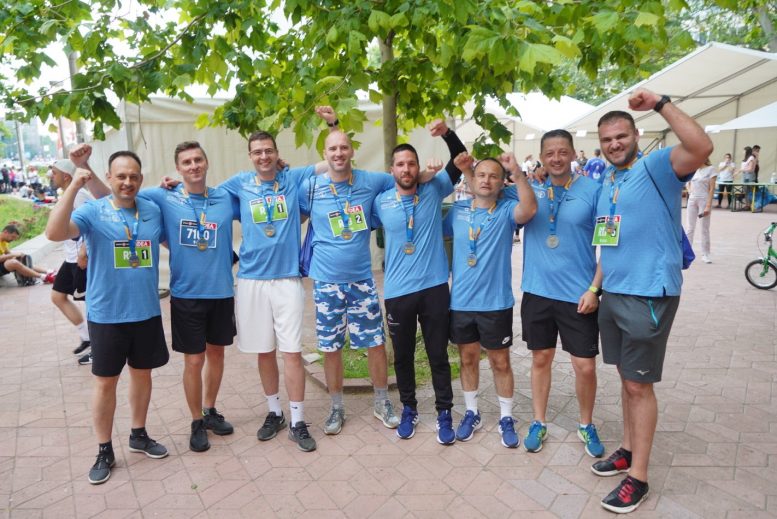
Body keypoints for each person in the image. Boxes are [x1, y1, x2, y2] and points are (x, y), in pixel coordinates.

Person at [591, 89, 712, 513]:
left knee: (639, 385)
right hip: (614, 292)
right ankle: (627, 450)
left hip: (648, 294)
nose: (614, 145)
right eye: (607, 140)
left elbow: (701, 146)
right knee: (627, 379)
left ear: (636, 135)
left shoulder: (657, 166)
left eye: (621, 136)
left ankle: (638, 478)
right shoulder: (609, 181)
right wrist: (596, 287)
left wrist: (661, 103)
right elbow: (608, 241)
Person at [299, 118, 438, 436]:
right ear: (325, 154)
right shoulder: (311, 187)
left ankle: (381, 402)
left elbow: (406, 178)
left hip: (361, 279)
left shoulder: (371, 181)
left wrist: (428, 173)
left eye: (344, 147)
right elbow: (293, 214)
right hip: (326, 281)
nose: (338, 153)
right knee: (330, 346)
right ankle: (336, 407)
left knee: (375, 342)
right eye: (333, 148)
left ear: (352, 152)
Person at [45, 151, 171, 485]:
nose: (127, 182)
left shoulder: (152, 209)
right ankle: (104, 449)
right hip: (107, 315)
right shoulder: (93, 211)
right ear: (109, 177)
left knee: (142, 375)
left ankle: (138, 434)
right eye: (121, 176)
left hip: (146, 311)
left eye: (133, 176)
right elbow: (54, 233)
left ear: (140, 179)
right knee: (105, 382)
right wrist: (74, 185)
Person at [219, 124, 327, 453]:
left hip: (286, 279)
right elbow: (205, 195)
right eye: (257, 152)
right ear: (250, 156)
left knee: (291, 351)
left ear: (277, 154)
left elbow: (329, 163)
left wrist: (333, 126)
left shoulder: (292, 179)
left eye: (269, 151)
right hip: (251, 279)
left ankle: (298, 421)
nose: (263, 156)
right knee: (264, 350)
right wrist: (173, 186)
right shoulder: (239, 183)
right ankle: (275, 413)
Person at [372, 118, 465, 443]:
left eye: (411, 163)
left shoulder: (433, 189)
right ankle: (408, 408)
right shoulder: (380, 201)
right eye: (400, 164)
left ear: (417, 166)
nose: (406, 169)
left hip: (434, 287)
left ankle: (444, 412)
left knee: (438, 354)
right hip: (398, 291)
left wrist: (447, 134)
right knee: (404, 356)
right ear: (392, 170)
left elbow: (460, 160)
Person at [518, 130, 604, 458]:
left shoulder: (593, 190)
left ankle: (586, 424)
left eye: (562, 152)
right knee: (541, 359)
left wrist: (595, 289)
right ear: (541, 157)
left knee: (585, 366)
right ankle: (538, 422)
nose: (556, 158)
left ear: (573, 154)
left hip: (579, 295)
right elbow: (487, 188)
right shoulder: (530, 190)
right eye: (550, 153)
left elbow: (609, 243)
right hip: (537, 291)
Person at [444, 151, 536, 448]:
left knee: (500, 361)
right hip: (461, 302)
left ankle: (506, 417)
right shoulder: (457, 211)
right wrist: (465, 173)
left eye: (493, 176)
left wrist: (516, 173)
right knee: (467, 358)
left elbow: (530, 208)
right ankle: (471, 412)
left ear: (501, 182)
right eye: (481, 175)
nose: (486, 180)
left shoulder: (507, 210)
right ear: (472, 179)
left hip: (495, 303)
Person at [48, 158, 92, 362]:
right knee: (58, 296)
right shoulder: (68, 194)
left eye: (54, 173)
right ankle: (87, 337)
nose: (51, 176)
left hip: (81, 258)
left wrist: (84, 250)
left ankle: (98, 349)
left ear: (66, 176)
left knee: (92, 304)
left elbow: (91, 224)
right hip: (70, 258)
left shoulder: (80, 195)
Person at [685, 159, 717, 264]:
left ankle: (705, 254)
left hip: (704, 199)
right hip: (692, 200)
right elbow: (687, 183)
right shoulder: (693, 169)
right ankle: (686, 253)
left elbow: (712, 189)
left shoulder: (711, 169)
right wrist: (690, 191)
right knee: (690, 228)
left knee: (704, 228)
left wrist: (708, 205)